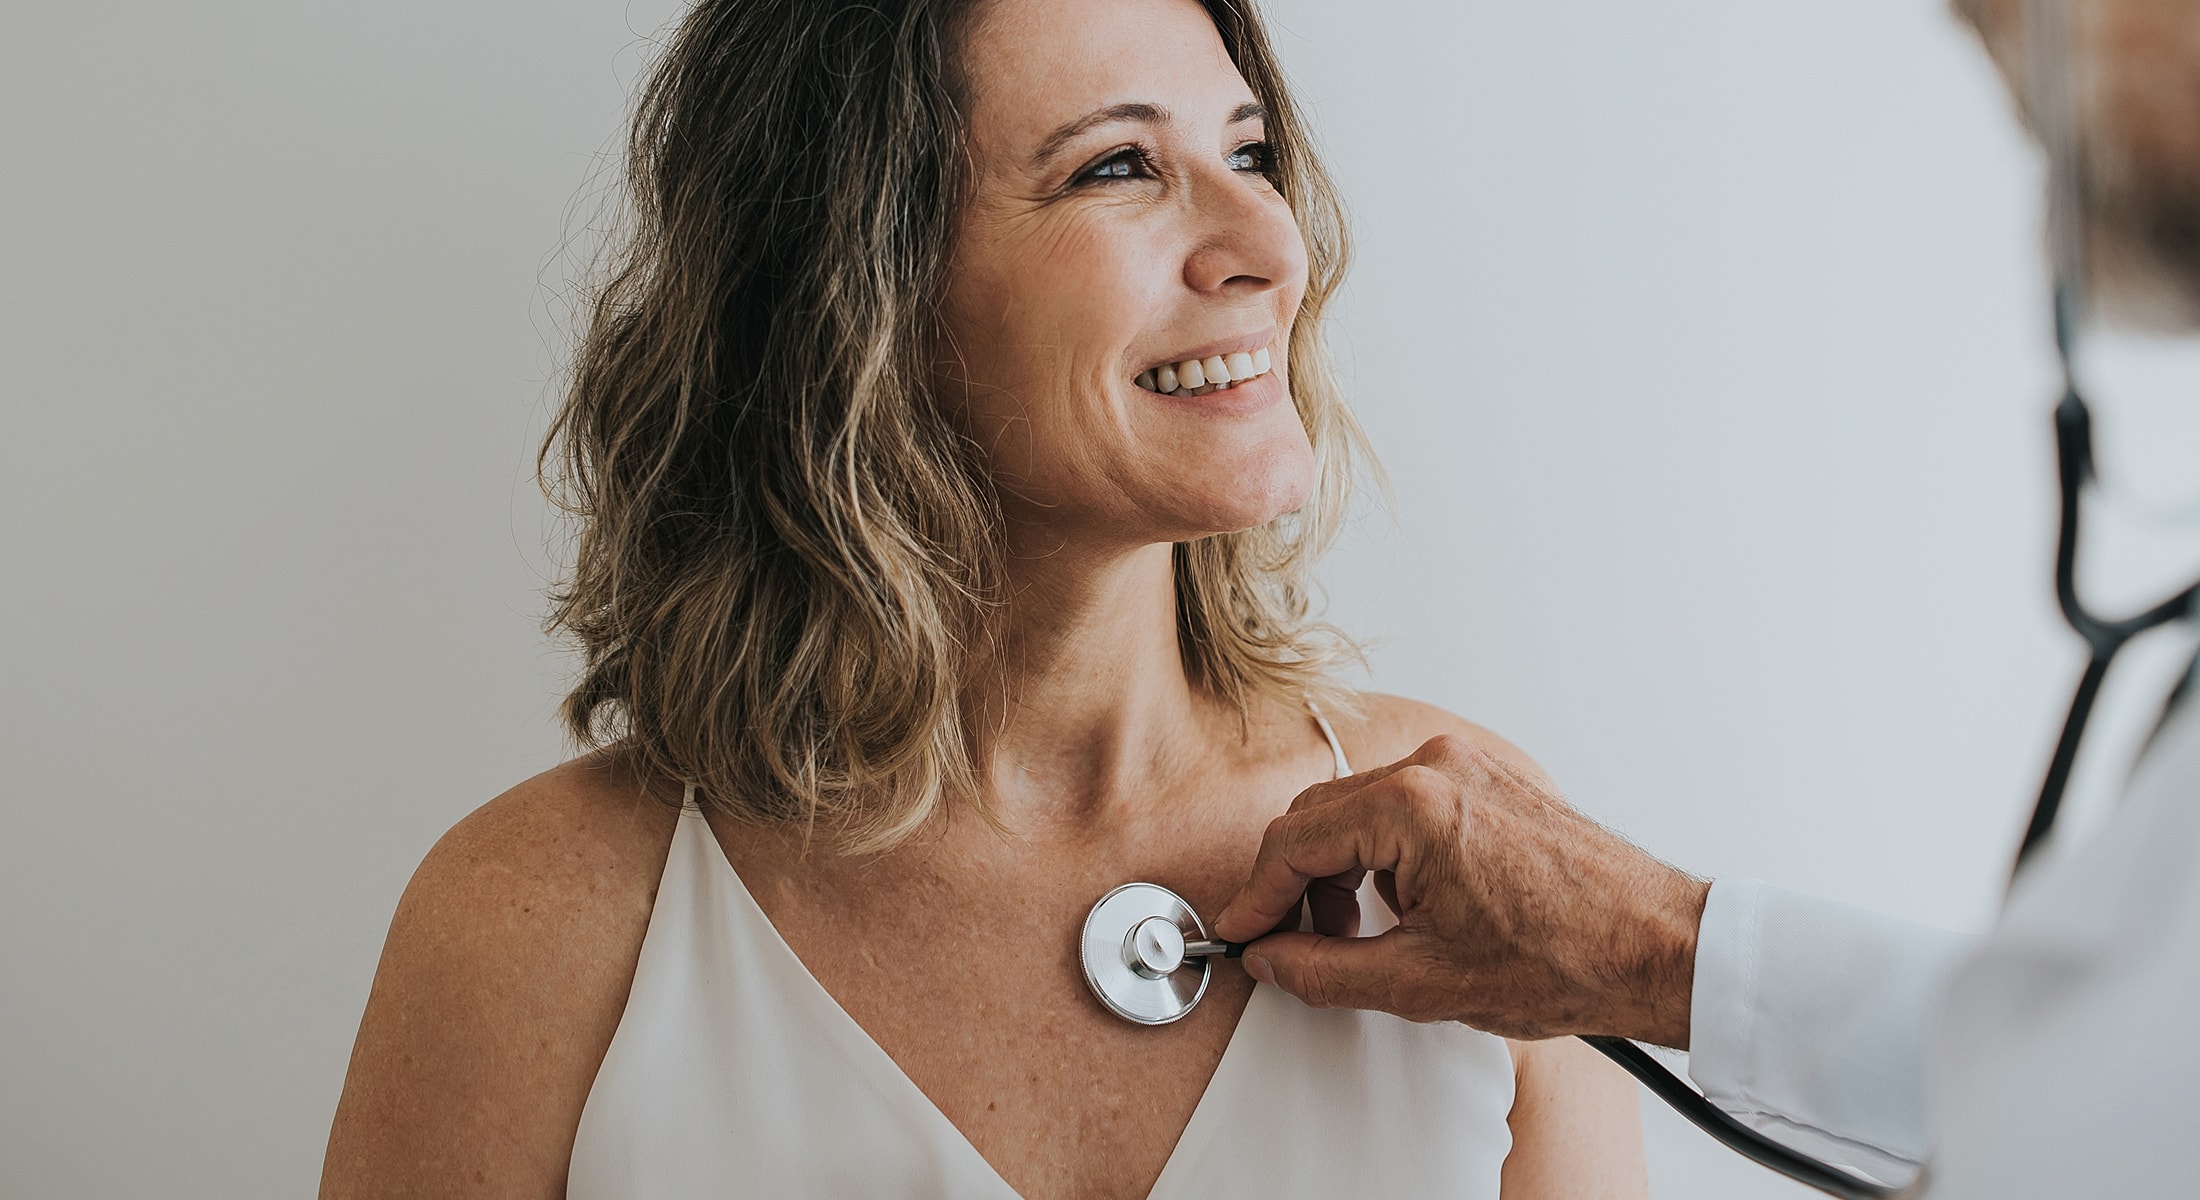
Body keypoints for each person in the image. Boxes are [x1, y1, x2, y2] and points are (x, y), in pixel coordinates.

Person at [319, 0, 1649, 1196]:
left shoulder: (1471, 864)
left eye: (1247, 153)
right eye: (1117, 167)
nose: (1265, 243)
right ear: (861, 298)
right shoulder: (542, 918)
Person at [1212, 0, 2200, 1195]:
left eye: (1251, 156)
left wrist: (1652, 956)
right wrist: (1656, 955)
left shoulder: (1441, 769)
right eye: (1113, 165)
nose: (1975, 23)